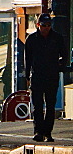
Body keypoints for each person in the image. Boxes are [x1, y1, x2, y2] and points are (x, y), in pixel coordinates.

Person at [25, 14, 68, 142]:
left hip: (51, 76)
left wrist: (61, 66)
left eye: (49, 25)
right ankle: (38, 131)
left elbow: (64, 54)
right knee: (37, 106)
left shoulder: (57, 38)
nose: (46, 28)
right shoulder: (32, 39)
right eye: (44, 25)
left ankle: (48, 133)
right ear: (38, 25)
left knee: (50, 105)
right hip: (37, 75)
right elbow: (27, 59)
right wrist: (27, 75)